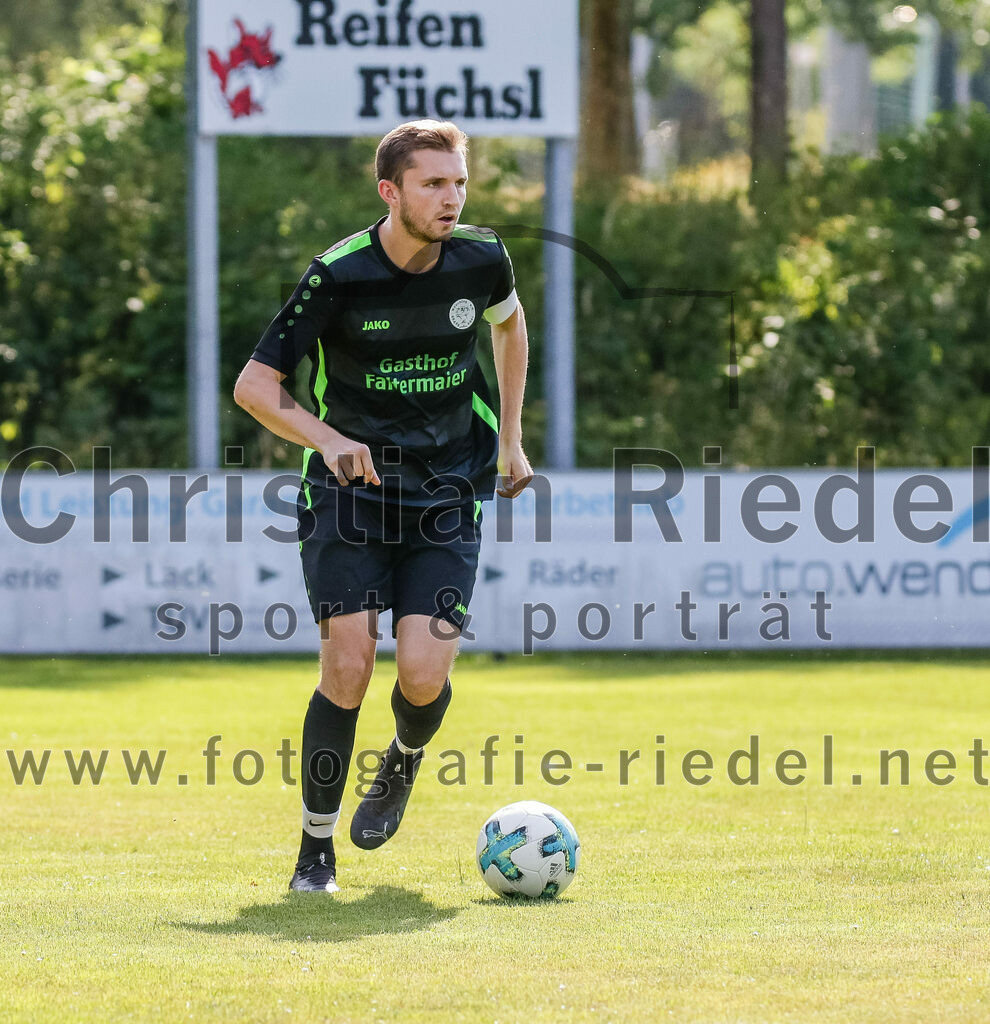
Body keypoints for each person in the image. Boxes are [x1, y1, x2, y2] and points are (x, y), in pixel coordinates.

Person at [233, 119, 533, 893]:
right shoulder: (337, 276)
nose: (451, 198)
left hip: (447, 490)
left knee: (424, 677)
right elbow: (255, 387)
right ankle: (315, 852)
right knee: (349, 666)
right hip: (349, 496)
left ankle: (402, 760)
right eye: (433, 184)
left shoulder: (482, 258)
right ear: (390, 192)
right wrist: (328, 439)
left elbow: (510, 325)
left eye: (459, 182)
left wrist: (510, 439)